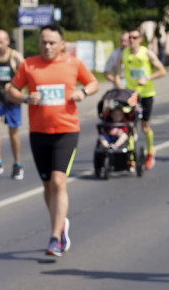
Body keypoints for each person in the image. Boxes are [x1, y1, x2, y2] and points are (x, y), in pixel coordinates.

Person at [6, 23, 99, 257]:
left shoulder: (73, 64)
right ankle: (61, 224)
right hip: (39, 132)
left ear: (62, 45)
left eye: (52, 43)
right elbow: (11, 90)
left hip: (66, 130)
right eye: (43, 42)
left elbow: (93, 83)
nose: (47, 46)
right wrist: (26, 98)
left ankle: (55, 237)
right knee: (47, 186)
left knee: (59, 181)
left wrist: (83, 93)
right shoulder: (29, 64)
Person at [112, 28, 166, 169]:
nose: (132, 40)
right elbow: (117, 74)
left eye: (135, 38)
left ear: (140, 39)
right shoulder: (123, 54)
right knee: (129, 125)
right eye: (130, 37)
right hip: (131, 94)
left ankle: (150, 152)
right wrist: (120, 89)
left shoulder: (146, 53)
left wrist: (147, 78)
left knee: (145, 126)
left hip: (146, 94)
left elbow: (162, 71)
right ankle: (131, 156)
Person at [0, 29, 25, 180]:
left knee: (13, 134)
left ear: (8, 41)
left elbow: (26, 74)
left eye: (1, 42)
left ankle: (17, 164)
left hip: (12, 99)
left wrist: (15, 85)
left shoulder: (15, 56)